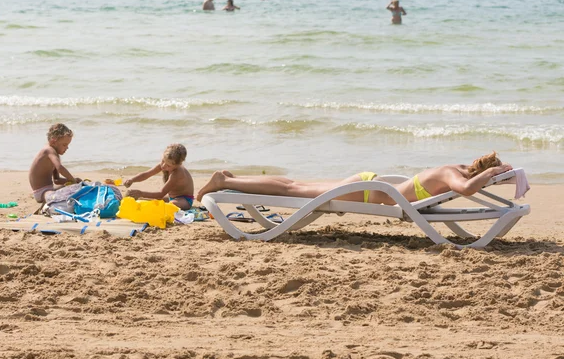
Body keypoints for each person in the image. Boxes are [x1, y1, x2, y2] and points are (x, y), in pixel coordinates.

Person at [197, 152, 512, 205]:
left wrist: (498, 170)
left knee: (296, 186)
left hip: (369, 185)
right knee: (294, 190)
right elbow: (469, 190)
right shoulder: (453, 174)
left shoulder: (454, 166)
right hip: (366, 192)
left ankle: (231, 178)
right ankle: (226, 182)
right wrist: (494, 173)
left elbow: (471, 180)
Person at [124, 143, 195, 210]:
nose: (163, 166)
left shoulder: (176, 173)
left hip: (184, 199)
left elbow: (161, 193)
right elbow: (146, 174)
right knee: (148, 201)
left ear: (178, 165)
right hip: (171, 197)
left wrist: (141, 193)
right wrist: (132, 179)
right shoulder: (164, 165)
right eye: (163, 161)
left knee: (169, 205)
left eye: (168, 165)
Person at [29, 123, 82, 203]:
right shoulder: (48, 150)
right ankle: (47, 205)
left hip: (49, 188)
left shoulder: (54, 153)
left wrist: (73, 181)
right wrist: (72, 179)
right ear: (53, 141)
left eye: (67, 145)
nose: (67, 148)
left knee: (73, 188)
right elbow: (60, 168)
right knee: (52, 196)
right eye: (64, 145)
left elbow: (57, 180)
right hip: (42, 192)